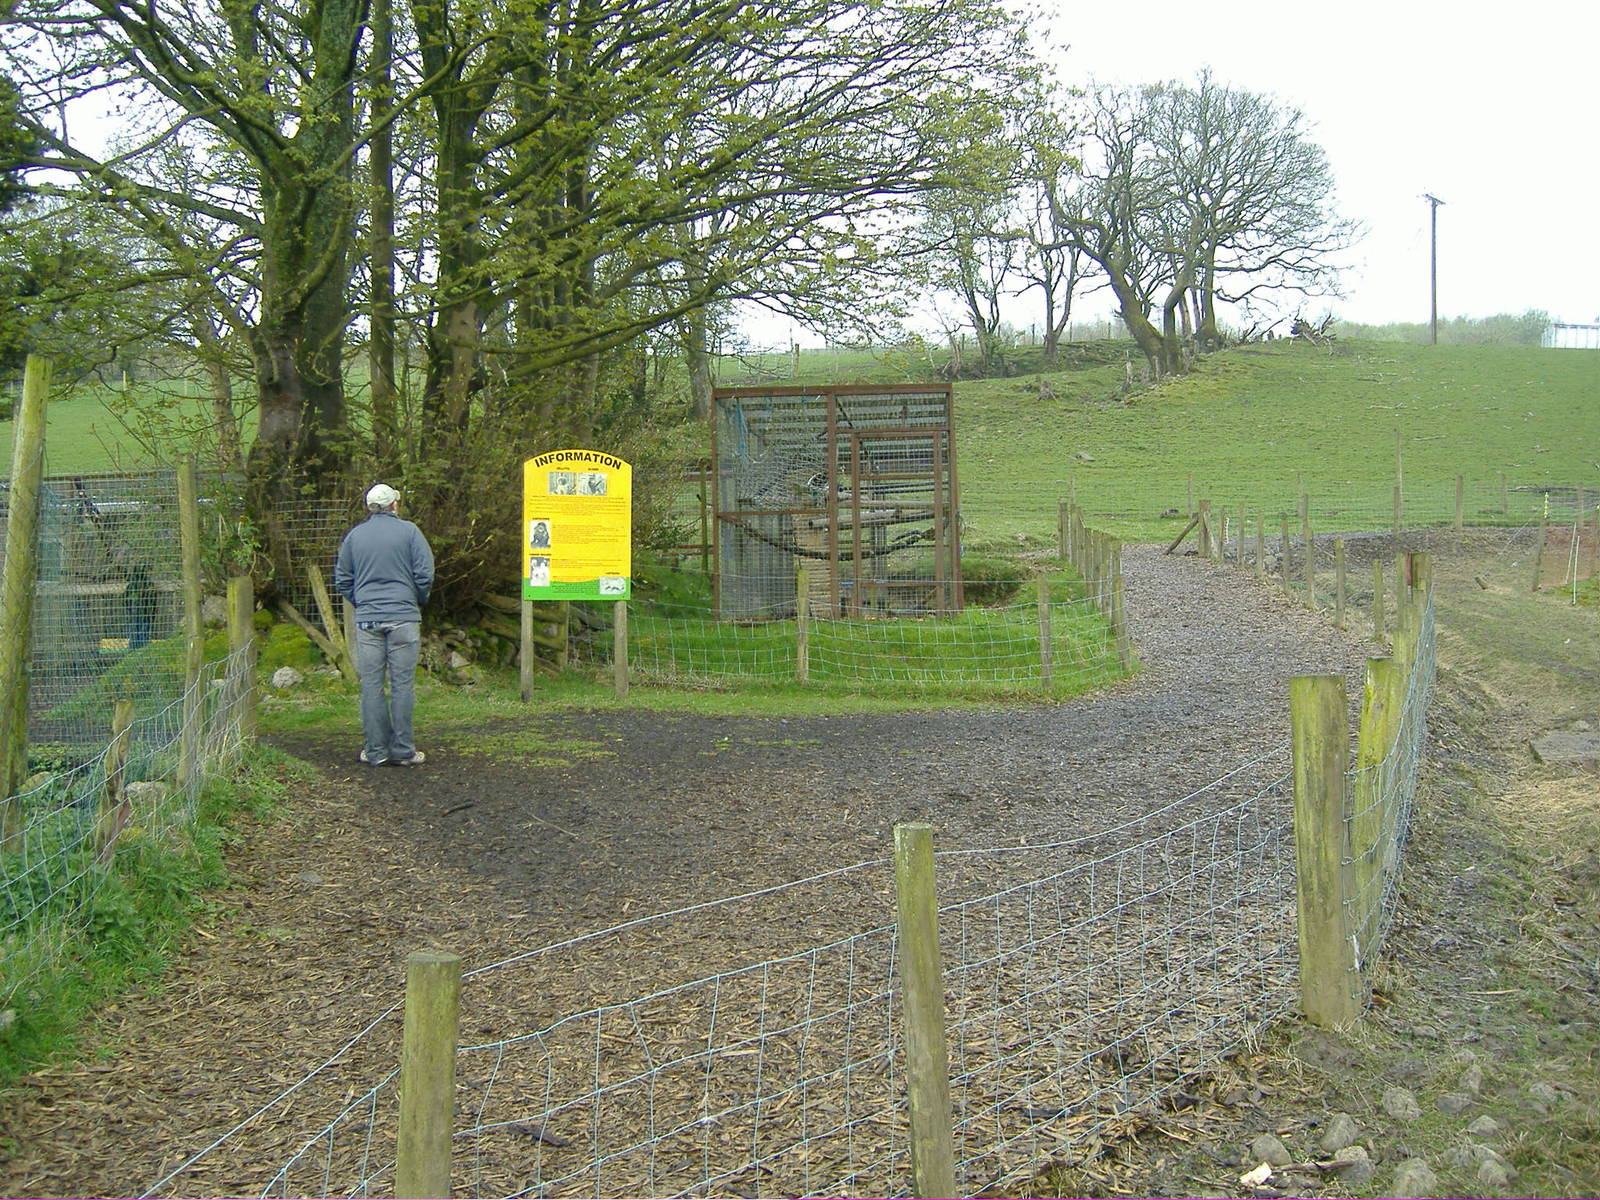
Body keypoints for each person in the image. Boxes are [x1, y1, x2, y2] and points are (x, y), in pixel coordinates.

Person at [334, 483, 435, 767]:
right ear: (394, 505)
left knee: (371, 686)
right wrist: (415, 599)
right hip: (403, 616)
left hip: (368, 620)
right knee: (402, 685)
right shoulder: (410, 532)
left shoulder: (354, 537)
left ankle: (376, 751)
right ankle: (403, 751)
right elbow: (424, 573)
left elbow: (342, 579)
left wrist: (363, 601)